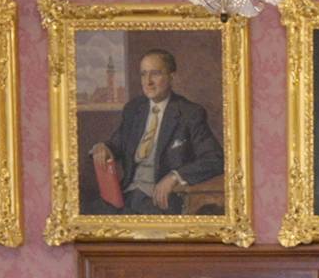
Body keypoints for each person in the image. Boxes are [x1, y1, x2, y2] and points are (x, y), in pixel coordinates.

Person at [90, 49, 224, 214]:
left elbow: (215, 159)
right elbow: (116, 144)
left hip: (161, 201)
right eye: (143, 74)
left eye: (155, 74)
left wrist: (175, 176)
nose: (148, 81)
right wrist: (103, 147)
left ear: (172, 77)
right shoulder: (134, 110)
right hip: (125, 195)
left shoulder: (190, 113)